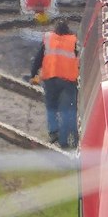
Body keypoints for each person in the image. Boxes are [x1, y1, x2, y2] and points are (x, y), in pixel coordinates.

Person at [28, 17, 80, 148]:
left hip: (50, 78)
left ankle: (53, 133)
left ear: (55, 29)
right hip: (68, 80)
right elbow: (78, 59)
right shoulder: (73, 41)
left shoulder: (48, 39)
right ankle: (70, 137)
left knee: (51, 106)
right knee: (69, 109)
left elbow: (38, 58)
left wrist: (33, 74)